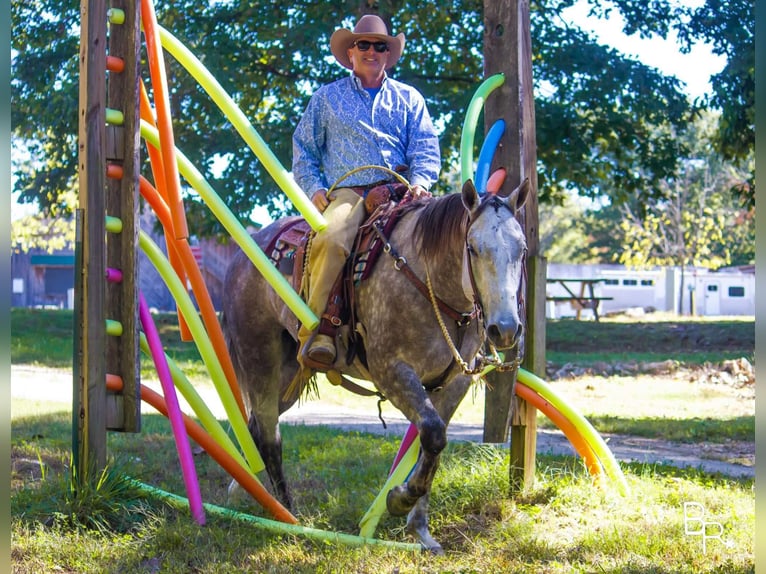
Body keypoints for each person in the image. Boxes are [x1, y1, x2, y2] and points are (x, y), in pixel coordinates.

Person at [292, 14, 441, 366]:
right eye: (364, 44)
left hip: (403, 190)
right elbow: (304, 150)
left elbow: (425, 147)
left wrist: (420, 183)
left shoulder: (409, 98)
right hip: (350, 192)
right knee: (331, 239)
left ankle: (458, 330)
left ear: (388, 53)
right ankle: (318, 331)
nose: (372, 51)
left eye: (380, 46)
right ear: (351, 51)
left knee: (450, 237)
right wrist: (314, 189)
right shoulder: (327, 98)